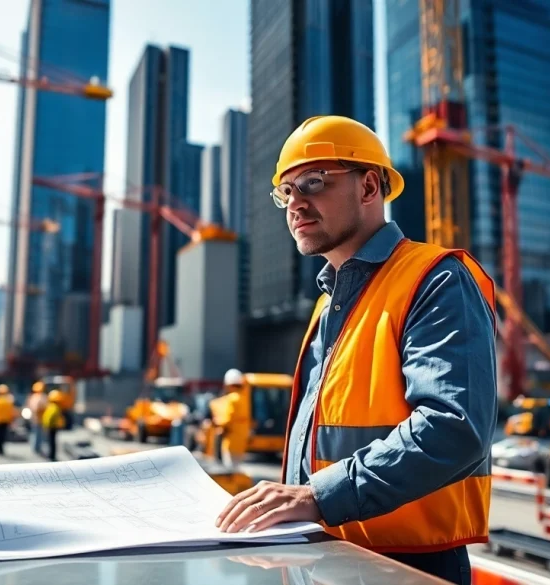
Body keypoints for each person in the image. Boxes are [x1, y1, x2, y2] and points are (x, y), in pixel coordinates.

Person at [215, 116, 497, 585]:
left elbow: (455, 427)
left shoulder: (436, 279)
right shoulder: (328, 305)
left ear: (369, 186)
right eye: (285, 192)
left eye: (313, 182)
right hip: (323, 557)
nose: (295, 204)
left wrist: (316, 497)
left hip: (410, 567)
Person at [214, 369, 250, 470]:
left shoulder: (231, 399)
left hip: (231, 442)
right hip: (241, 441)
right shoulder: (244, 398)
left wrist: (217, 423)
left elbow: (226, 419)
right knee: (236, 466)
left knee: (229, 470)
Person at [41, 389, 67, 462]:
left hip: (51, 427)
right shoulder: (55, 407)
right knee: (52, 442)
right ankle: (52, 455)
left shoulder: (52, 407)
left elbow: (49, 418)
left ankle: (51, 456)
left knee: (51, 442)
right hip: (53, 427)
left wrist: (46, 426)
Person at [0, 384, 16, 456]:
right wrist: (11, 420)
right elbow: (11, 411)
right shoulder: (9, 400)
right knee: (3, 435)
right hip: (5, 421)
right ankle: (1, 449)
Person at [26, 381, 48, 456]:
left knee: (35, 433)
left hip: (34, 418)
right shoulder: (42, 397)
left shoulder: (32, 397)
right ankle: (37, 448)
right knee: (40, 434)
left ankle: (35, 447)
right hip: (40, 419)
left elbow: (29, 407)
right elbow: (43, 407)